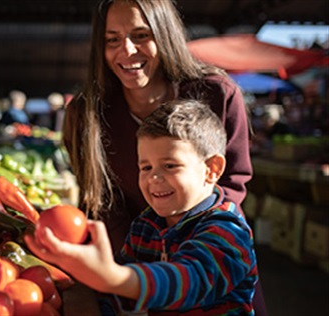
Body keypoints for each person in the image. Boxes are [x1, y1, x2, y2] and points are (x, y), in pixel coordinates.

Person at [61, 0, 266, 314]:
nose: (126, 50)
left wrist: (119, 278)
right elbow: (102, 202)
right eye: (112, 39)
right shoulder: (145, 229)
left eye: (141, 35)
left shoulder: (218, 94)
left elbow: (191, 276)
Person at [26, 100, 258, 315]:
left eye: (170, 165)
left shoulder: (228, 231)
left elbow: (188, 281)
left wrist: (114, 277)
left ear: (212, 169)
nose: (154, 178)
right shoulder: (146, 225)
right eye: (145, 167)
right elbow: (119, 298)